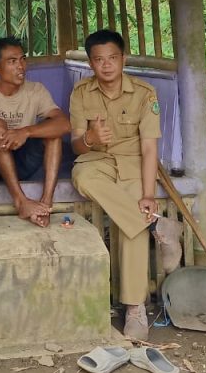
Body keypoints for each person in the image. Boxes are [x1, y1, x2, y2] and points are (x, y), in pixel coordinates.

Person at [69, 29, 182, 342]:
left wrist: (148, 194)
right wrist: (90, 139)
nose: (106, 65)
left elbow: (149, 149)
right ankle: (160, 226)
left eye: (113, 58)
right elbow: (77, 146)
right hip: (98, 162)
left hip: (134, 164)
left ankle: (134, 308)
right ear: (91, 63)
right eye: (99, 60)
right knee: (84, 177)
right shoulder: (81, 92)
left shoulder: (145, 94)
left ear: (123, 59)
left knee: (133, 212)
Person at [0, 37, 70, 227]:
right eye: (12, 61)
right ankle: (21, 201)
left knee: (53, 134)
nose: (21, 66)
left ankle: (45, 203)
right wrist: (12, 134)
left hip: (21, 156)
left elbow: (64, 124)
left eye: (23, 59)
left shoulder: (36, 90)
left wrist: (25, 132)